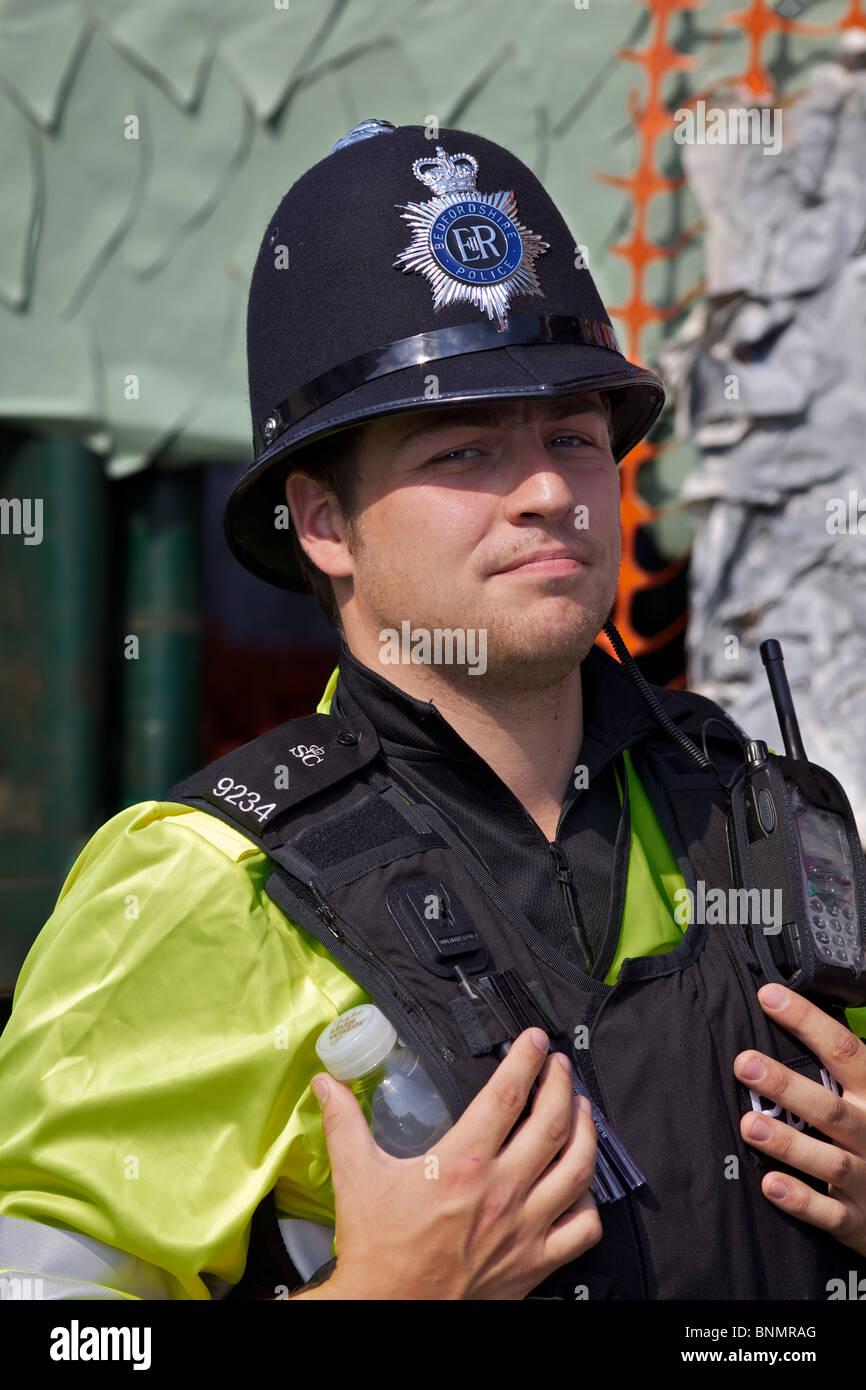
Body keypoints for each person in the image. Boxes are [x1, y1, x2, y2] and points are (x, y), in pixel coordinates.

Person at [2, 120, 866, 1303]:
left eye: (572, 436)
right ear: (321, 523)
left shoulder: (763, 817)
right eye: (464, 450)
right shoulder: (207, 887)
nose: (549, 492)